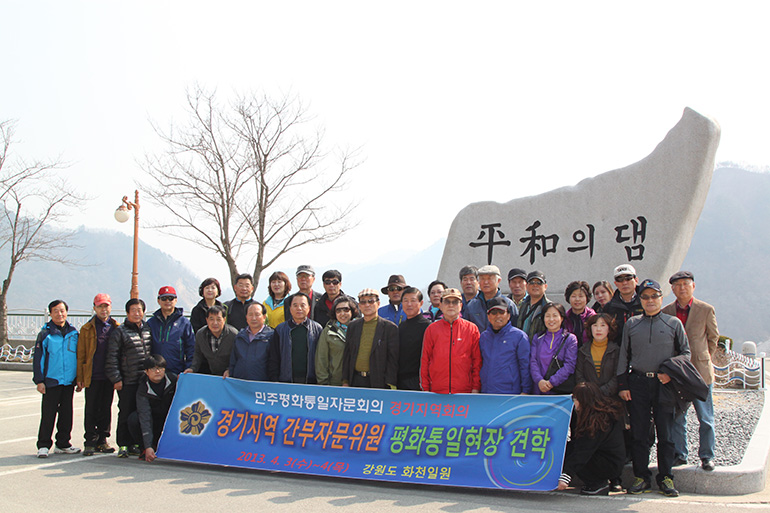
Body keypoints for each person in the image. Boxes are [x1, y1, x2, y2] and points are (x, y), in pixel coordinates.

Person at [617, 278, 690, 497]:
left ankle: (666, 477)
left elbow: (685, 354)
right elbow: (624, 355)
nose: (650, 300)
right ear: (640, 299)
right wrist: (622, 384)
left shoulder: (673, 323)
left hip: (664, 384)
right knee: (639, 434)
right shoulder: (632, 324)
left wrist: (671, 374)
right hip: (638, 382)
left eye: (654, 296)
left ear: (661, 297)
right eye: (646, 296)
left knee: (665, 434)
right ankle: (641, 477)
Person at [662, 271, 719, 471]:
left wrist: (704, 358)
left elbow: (713, 339)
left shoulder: (705, 309)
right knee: (678, 417)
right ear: (672, 289)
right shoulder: (667, 311)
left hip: (701, 373)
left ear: (693, 286)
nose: (682, 288)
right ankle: (680, 453)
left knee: (705, 417)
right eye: (677, 285)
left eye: (686, 284)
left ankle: (707, 455)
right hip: (678, 375)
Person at [557, 382, 626, 496]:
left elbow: (583, 451)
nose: (574, 402)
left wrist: (566, 477)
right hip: (607, 458)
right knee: (567, 448)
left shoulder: (597, 421)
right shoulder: (597, 413)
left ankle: (597, 482)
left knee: (574, 453)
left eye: (576, 399)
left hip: (609, 463)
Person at [105, 298, 153, 458]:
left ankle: (136, 443)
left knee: (141, 413)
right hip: (127, 380)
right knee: (125, 412)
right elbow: (112, 357)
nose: (137, 313)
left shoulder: (147, 329)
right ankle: (123, 444)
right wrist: (116, 378)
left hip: (144, 380)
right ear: (127, 313)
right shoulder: (120, 331)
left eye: (140, 310)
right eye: (133, 310)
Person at [33, 300, 80, 458]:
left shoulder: (73, 333)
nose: (60, 314)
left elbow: (79, 357)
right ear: (50, 313)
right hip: (51, 380)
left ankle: (63, 443)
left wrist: (78, 378)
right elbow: (38, 359)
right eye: (56, 311)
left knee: (67, 413)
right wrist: (39, 380)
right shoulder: (45, 334)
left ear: (67, 312)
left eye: (62, 311)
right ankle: (44, 444)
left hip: (68, 381)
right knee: (48, 413)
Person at [77, 293, 119, 456]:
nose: (103, 309)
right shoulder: (87, 328)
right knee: (91, 409)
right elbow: (81, 354)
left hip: (109, 376)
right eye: (100, 306)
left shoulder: (116, 326)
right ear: (94, 308)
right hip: (93, 375)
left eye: (106, 306)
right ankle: (90, 441)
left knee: (106, 409)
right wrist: (80, 377)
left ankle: (102, 440)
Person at [420, 288, 481, 394]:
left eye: (455, 302)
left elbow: (477, 361)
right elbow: (425, 360)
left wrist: (475, 387)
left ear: (461, 305)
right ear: (441, 305)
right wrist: (425, 388)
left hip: (464, 391)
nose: (451, 305)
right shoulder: (432, 329)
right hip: (437, 391)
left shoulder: (472, 329)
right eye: (447, 301)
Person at [342, 288, 399, 388]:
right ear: (359, 306)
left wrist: (390, 384)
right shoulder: (353, 326)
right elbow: (347, 355)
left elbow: (392, 360)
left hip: (378, 382)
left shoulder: (390, 328)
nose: (367, 305)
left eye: (371, 301)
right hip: (355, 380)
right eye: (363, 302)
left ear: (378, 303)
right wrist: (345, 381)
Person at [128, 355, 177, 462]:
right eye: (154, 369)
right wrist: (148, 446)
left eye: (161, 368)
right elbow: (144, 415)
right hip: (153, 421)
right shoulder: (143, 389)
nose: (158, 371)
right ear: (146, 371)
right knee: (134, 419)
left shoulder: (174, 381)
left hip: (169, 421)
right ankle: (145, 448)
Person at [479, 297, 531, 394]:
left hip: (510, 393)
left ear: (508, 315)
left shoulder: (519, 336)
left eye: (501, 312)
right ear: (488, 316)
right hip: (486, 392)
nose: (498, 316)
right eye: (494, 313)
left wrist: (526, 390)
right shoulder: (484, 337)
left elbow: (525, 366)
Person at [269, 292, 323, 383]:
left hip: (311, 381)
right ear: (290, 308)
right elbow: (274, 357)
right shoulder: (280, 329)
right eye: (295, 305)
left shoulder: (317, 329)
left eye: (303, 305)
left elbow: (322, 357)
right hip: (286, 380)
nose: (299, 308)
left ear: (309, 308)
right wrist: (274, 379)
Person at [529, 302, 577, 395]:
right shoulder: (537, 338)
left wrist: (551, 382)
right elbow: (533, 361)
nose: (551, 319)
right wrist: (539, 381)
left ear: (562, 318)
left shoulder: (570, 339)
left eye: (555, 316)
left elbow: (569, 365)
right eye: (547, 316)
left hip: (558, 391)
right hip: (538, 389)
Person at [147, 286, 195, 375]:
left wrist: (188, 368)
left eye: (171, 298)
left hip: (177, 371)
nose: (167, 301)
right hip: (155, 372)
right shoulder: (151, 323)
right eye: (164, 298)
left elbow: (191, 348)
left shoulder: (184, 323)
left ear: (176, 300)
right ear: (158, 301)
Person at [315, 295, 359, 386]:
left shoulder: (361, 328)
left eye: (346, 310)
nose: (342, 313)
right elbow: (321, 359)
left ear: (352, 310)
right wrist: (323, 383)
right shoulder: (328, 331)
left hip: (358, 381)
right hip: (335, 382)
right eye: (338, 310)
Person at [226, 302, 275, 381]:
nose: (254, 318)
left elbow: (274, 364)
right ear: (246, 317)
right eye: (250, 315)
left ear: (264, 317)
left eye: (257, 314)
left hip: (261, 384)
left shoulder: (272, 336)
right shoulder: (240, 336)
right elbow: (233, 361)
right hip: (239, 383)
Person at [575, 314, 620, 397]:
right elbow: (579, 375)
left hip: (611, 398)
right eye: (595, 325)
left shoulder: (616, 350)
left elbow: (617, 376)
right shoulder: (583, 350)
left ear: (609, 329)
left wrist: (601, 392)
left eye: (603, 325)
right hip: (588, 397)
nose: (598, 329)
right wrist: (590, 391)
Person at [465, 265, 518, 333]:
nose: (486, 282)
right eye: (482, 279)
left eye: (489, 278)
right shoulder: (472, 305)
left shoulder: (508, 304)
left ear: (498, 281)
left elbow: (515, 330)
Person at [187, 305, 237, 376]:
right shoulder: (200, 334)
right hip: (212, 374)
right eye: (211, 319)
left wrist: (229, 370)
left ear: (224, 319)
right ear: (207, 320)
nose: (215, 323)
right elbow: (198, 354)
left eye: (218, 319)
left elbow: (238, 357)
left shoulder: (233, 334)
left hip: (230, 375)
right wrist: (192, 368)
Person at [397, 287, 431, 390]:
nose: (409, 304)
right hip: (400, 380)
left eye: (413, 300)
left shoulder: (427, 327)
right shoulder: (401, 326)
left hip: (419, 380)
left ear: (421, 303)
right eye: (405, 301)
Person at [603, 264, 643, 345]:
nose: (624, 283)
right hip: (618, 352)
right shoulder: (609, 307)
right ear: (615, 283)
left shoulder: (645, 302)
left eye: (628, 278)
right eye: (620, 279)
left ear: (636, 280)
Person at [516, 271, 550, 340]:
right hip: (522, 348)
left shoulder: (549, 307)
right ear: (526, 286)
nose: (535, 285)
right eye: (532, 282)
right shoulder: (522, 305)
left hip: (540, 349)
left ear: (545, 286)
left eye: (539, 283)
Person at [564, 281, 596, 347]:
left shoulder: (593, 317)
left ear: (587, 298)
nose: (577, 299)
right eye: (573, 296)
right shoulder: (564, 318)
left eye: (581, 296)